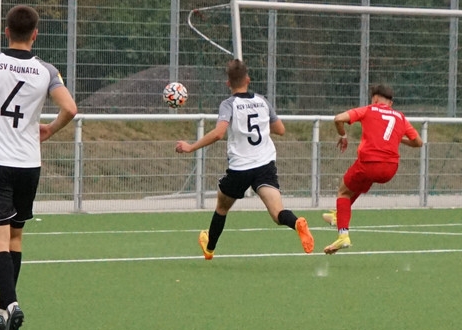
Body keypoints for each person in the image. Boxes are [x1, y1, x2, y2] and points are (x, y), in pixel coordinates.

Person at [0, 4, 78, 330]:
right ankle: (2, 311)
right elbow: (70, 108)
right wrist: (50, 129)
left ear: (6, 31)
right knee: (15, 238)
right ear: (35, 34)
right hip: (29, 165)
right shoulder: (46, 71)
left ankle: (11, 304)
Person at [174, 59, 314, 259]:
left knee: (222, 207)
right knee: (277, 213)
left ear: (228, 83)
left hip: (240, 168)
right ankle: (296, 222)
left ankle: (209, 249)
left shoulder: (229, 104)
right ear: (248, 79)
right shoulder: (262, 101)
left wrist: (191, 147)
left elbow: (218, 133)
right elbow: (280, 130)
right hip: (265, 165)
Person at [321, 84, 423, 254]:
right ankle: (339, 215)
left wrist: (343, 135)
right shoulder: (400, 116)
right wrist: (399, 139)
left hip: (369, 163)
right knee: (357, 186)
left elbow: (338, 119)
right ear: (391, 103)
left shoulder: (369, 109)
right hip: (390, 169)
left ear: (375, 99)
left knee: (343, 192)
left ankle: (343, 235)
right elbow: (418, 142)